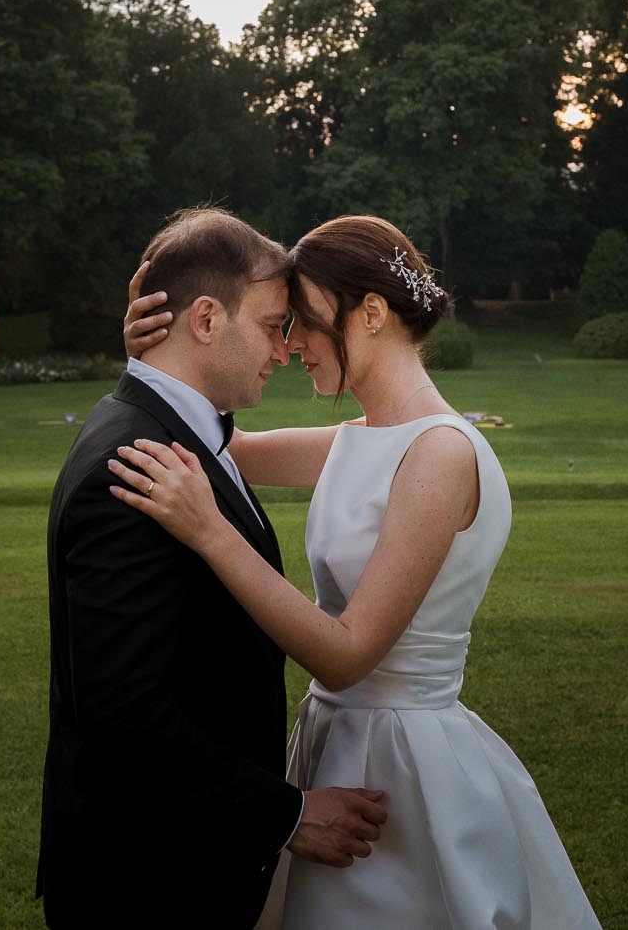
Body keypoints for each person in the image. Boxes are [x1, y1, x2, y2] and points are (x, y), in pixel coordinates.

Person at [112, 214, 602, 929]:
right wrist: (156, 352)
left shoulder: (439, 454)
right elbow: (216, 441)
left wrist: (213, 533)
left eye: (305, 321)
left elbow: (346, 654)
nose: (290, 344)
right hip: (329, 745)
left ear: (371, 312)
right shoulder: (357, 440)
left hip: (402, 769)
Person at [38, 207, 389, 930]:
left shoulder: (183, 434)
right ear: (204, 319)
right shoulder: (132, 464)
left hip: (192, 864)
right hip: (151, 882)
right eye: (270, 324)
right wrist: (288, 814)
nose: (285, 349)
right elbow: (123, 712)